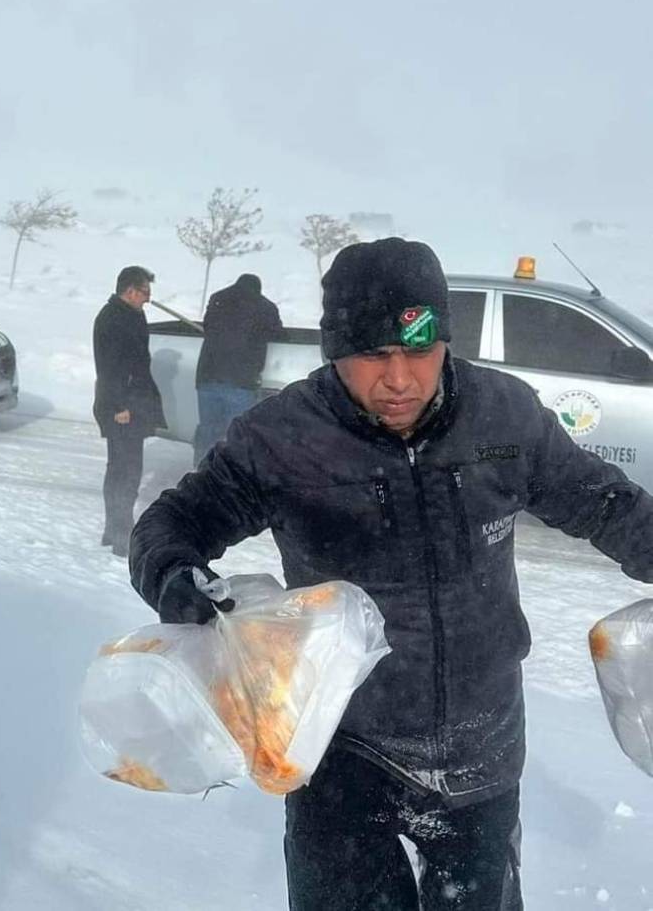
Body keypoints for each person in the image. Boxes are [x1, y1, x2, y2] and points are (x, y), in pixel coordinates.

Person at [128, 237, 653, 910]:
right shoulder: (284, 438)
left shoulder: (506, 417)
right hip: (341, 747)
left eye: (419, 350)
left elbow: (607, 505)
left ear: (444, 342)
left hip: (482, 746)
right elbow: (169, 525)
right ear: (336, 352)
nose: (400, 378)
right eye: (374, 355)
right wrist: (176, 578)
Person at [93, 265, 166, 558]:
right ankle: (122, 534)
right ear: (131, 290)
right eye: (145, 292)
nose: (148, 299)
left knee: (123, 468)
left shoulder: (131, 315)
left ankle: (115, 528)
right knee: (126, 469)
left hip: (133, 402)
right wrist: (118, 406)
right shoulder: (112, 319)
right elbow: (109, 368)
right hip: (122, 406)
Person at [193, 272, 282, 463]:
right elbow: (278, 333)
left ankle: (201, 473)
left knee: (208, 429)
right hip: (241, 381)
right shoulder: (265, 307)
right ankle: (228, 479)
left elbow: (208, 326)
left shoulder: (217, 298)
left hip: (208, 377)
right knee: (236, 435)